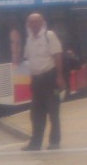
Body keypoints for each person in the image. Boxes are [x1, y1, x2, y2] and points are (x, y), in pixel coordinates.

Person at [19, 13, 64, 150]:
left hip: (50, 78)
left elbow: (57, 56)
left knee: (53, 111)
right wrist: (31, 79)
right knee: (36, 113)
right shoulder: (28, 40)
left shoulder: (49, 36)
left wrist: (59, 76)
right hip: (37, 80)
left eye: (37, 21)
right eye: (32, 22)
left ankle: (54, 141)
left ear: (42, 22)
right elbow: (30, 60)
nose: (34, 24)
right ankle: (35, 143)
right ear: (28, 24)